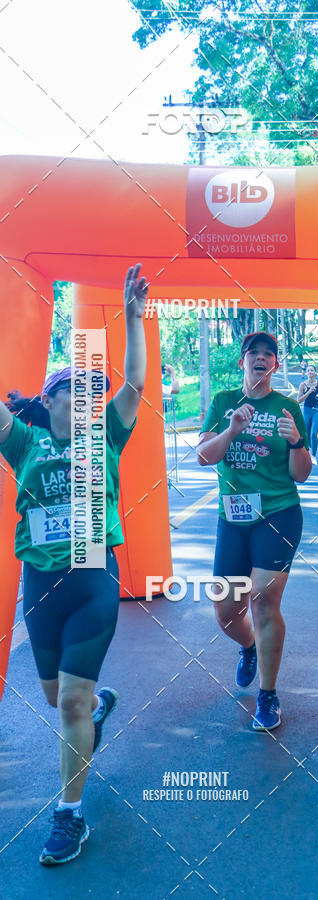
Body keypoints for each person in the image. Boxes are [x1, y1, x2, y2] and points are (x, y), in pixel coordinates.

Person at [0, 264, 148, 863]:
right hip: (39, 584)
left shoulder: (105, 435)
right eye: (78, 390)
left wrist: (133, 317)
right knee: (62, 696)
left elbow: (134, 384)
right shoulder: (25, 443)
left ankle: (69, 814)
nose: (90, 397)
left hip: (91, 578)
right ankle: (96, 706)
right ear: (54, 398)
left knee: (67, 704)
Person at [196, 332, 311, 731]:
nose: (260, 359)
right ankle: (248, 646)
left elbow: (302, 474)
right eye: (253, 354)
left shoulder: (287, 406)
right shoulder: (224, 401)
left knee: (263, 603)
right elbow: (203, 457)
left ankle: (268, 695)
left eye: (268, 355)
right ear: (242, 361)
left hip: (278, 514)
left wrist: (296, 442)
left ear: (275, 365)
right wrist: (231, 429)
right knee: (227, 612)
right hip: (233, 518)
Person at [297, 364, 318, 462]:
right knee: (306, 433)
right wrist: (309, 392)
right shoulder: (303, 385)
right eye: (308, 370)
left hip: (317, 411)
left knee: (314, 433)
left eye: (312, 370)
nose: (310, 372)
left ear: (315, 373)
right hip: (307, 411)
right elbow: (298, 400)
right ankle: (308, 451)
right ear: (306, 373)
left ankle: (313, 456)